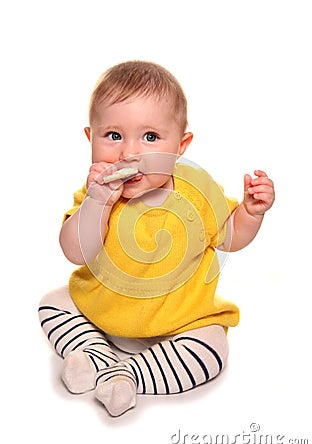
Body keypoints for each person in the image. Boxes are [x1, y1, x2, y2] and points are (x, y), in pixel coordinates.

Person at [38, 60, 275, 417]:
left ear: (180, 146)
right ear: (91, 138)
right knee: (53, 303)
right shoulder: (97, 197)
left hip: (181, 325)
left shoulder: (198, 193)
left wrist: (251, 213)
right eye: (113, 136)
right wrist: (98, 201)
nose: (129, 152)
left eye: (150, 137)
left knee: (213, 349)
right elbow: (76, 252)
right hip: (101, 315)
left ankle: (126, 374)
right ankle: (95, 350)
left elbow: (229, 236)